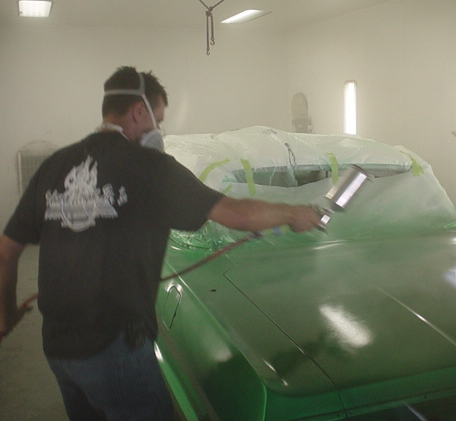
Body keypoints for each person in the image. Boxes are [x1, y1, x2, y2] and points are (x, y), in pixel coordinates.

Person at [0, 66, 321, 421]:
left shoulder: (54, 165)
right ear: (139, 111)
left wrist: (5, 313)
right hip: (115, 350)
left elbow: (6, 252)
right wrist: (294, 213)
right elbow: (236, 215)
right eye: (159, 120)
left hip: (57, 348)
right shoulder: (150, 167)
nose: (158, 131)